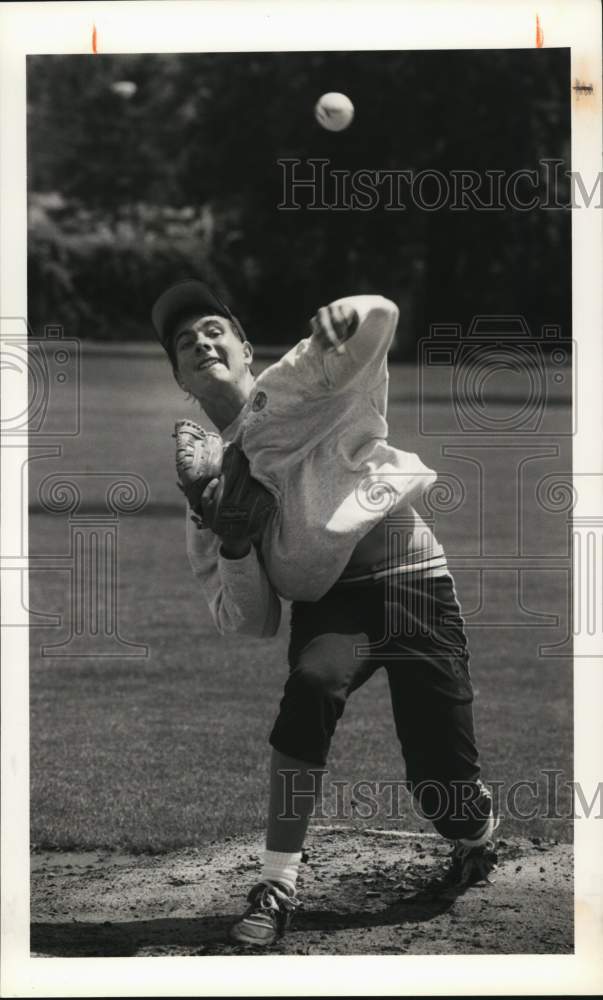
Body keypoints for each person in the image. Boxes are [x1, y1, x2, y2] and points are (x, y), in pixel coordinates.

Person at [151, 279, 497, 947]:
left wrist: (354, 310)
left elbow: (381, 320)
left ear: (245, 347)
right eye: (182, 341)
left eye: (213, 328)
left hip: (413, 582)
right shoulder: (206, 485)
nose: (199, 339)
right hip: (330, 607)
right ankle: (277, 883)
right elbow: (249, 619)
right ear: (178, 377)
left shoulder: (295, 383)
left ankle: (477, 835)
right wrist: (230, 538)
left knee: (441, 790)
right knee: (310, 686)